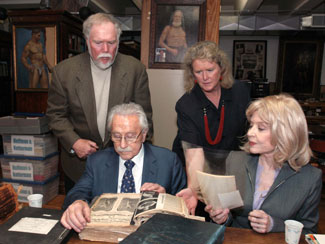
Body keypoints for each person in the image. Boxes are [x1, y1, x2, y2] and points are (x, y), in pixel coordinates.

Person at [178, 94, 322, 234]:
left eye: (261, 128)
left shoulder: (309, 178)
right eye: (251, 125)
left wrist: (274, 225)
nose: (250, 133)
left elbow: (309, 232)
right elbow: (229, 220)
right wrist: (221, 217)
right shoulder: (235, 161)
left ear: (285, 133)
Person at [46, 13, 153, 193]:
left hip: (123, 164)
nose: (105, 49)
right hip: (79, 166)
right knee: (81, 214)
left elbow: (145, 119)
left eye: (111, 43)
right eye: (98, 43)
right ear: (87, 41)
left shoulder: (135, 70)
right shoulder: (63, 72)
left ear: (118, 42)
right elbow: (55, 115)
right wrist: (74, 142)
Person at [61, 103, 186, 232]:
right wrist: (78, 202)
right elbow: (76, 193)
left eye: (130, 136)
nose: (123, 144)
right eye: (116, 136)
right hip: (106, 236)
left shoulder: (168, 161)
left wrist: (165, 200)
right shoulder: (97, 161)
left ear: (143, 134)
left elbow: (185, 207)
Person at [172, 41, 250, 196]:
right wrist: (194, 192)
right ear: (192, 74)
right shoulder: (186, 104)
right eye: (199, 72)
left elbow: (247, 136)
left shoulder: (240, 92)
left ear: (221, 69)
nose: (205, 77)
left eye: (210, 70)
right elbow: (194, 155)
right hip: (197, 167)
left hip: (231, 164)